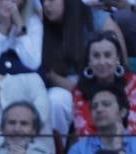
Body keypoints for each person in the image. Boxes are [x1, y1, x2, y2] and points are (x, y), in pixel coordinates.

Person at [71, 32, 136, 137]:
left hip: (128, 147)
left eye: (107, 55)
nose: (102, 62)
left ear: (117, 59)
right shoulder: (80, 89)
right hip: (92, 149)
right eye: (96, 56)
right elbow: (83, 131)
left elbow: (135, 129)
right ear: (89, 61)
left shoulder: (133, 82)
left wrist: (115, 146)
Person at [38, 0, 98, 136]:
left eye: (52, 0)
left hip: (95, 89)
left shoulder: (93, 21)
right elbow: (47, 75)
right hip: (63, 94)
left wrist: (60, 80)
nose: (46, 5)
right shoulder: (40, 28)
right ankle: (57, 150)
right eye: (43, 1)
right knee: (56, 99)